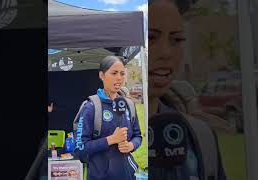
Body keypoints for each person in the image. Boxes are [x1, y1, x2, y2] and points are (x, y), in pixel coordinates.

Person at [149, 0, 227, 180]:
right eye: (151, 38)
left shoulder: (200, 138)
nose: (166, 53)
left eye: (176, 39)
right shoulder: (86, 136)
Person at [74, 56, 142, 180]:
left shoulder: (129, 104)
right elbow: (80, 149)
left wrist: (131, 145)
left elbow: (138, 136)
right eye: (114, 73)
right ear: (102, 75)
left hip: (128, 176)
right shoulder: (91, 107)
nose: (119, 78)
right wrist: (111, 140)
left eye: (122, 73)